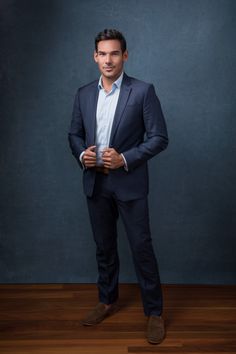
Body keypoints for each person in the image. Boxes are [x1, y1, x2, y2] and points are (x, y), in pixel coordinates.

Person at [68, 29, 168, 344]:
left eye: (114, 53)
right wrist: (83, 154)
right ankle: (106, 300)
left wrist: (124, 158)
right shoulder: (84, 93)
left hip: (130, 183)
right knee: (104, 247)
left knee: (141, 248)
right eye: (102, 54)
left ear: (125, 56)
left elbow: (159, 138)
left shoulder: (143, 91)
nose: (108, 60)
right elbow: (73, 134)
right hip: (95, 183)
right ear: (94, 56)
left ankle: (154, 313)